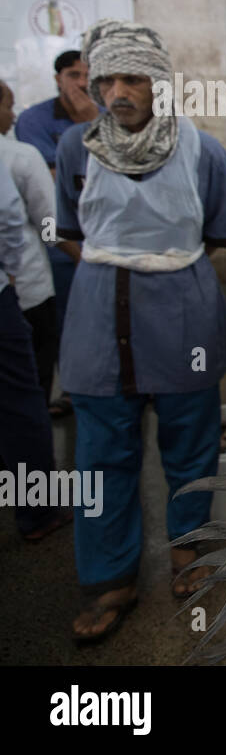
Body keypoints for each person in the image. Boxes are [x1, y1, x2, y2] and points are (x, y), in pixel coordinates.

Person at [55, 20, 226, 641]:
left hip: (182, 316)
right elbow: (70, 231)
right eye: (106, 80)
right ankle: (110, 578)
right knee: (101, 456)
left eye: (133, 78)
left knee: (191, 445)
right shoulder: (74, 150)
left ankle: (190, 550)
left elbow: (214, 235)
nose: (118, 93)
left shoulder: (204, 152)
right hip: (97, 321)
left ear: (160, 82)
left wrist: (158, 272)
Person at [15, 49, 96, 416]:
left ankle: (115, 384)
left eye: (87, 75)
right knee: (63, 316)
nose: (82, 82)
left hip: (104, 234)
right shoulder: (34, 120)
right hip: (59, 236)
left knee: (110, 315)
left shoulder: (104, 116)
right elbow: (50, 179)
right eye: (74, 75)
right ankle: (73, 390)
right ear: (57, 78)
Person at [0, 160, 68, 543]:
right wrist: (11, 270)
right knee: (24, 402)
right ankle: (38, 511)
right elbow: (31, 220)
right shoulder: (20, 155)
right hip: (22, 290)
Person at [0, 81, 79, 404]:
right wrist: (80, 258)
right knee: (30, 384)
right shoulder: (20, 156)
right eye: (8, 106)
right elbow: (49, 224)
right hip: (26, 289)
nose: (13, 116)